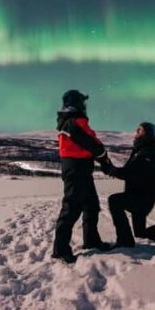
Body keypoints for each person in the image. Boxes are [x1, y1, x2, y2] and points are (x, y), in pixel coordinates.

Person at [52, 90, 112, 264]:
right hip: (76, 169)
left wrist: (101, 156)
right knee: (71, 208)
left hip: (82, 169)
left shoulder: (72, 120)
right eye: (83, 102)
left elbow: (91, 143)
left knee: (91, 205)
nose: (85, 105)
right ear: (77, 102)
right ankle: (60, 249)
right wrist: (103, 158)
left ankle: (91, 240)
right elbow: (92, 144)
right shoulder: (73, 121)